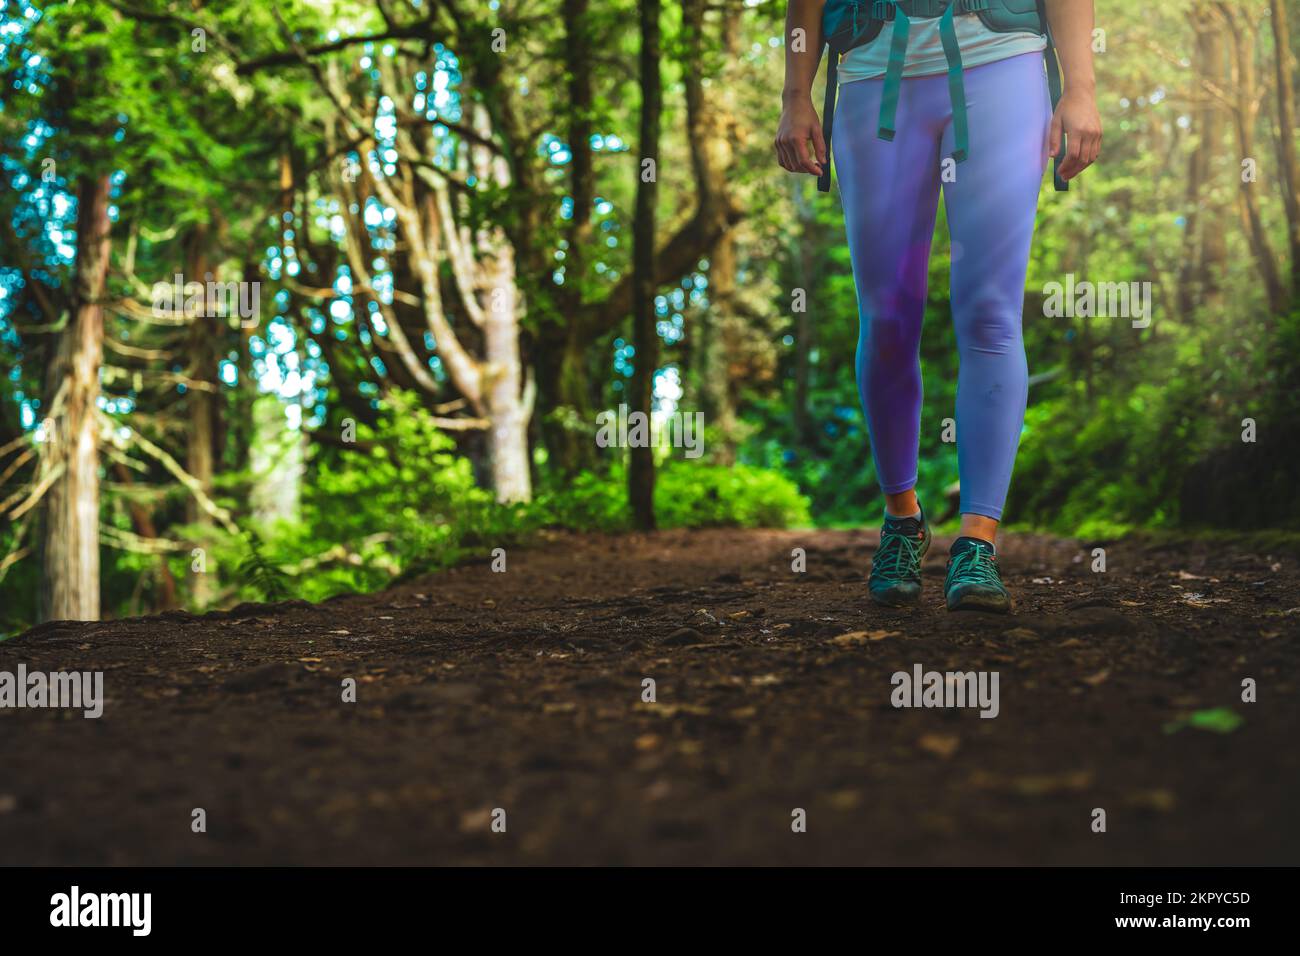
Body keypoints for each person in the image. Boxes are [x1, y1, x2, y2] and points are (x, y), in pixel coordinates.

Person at [775, 0, 1100, 612]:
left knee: (990, 312)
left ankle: (977, 541)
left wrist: (1080, 86)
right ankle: (903, 520)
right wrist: (797, 93)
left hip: (1001, 66)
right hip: (872, 74)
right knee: (889, 315)